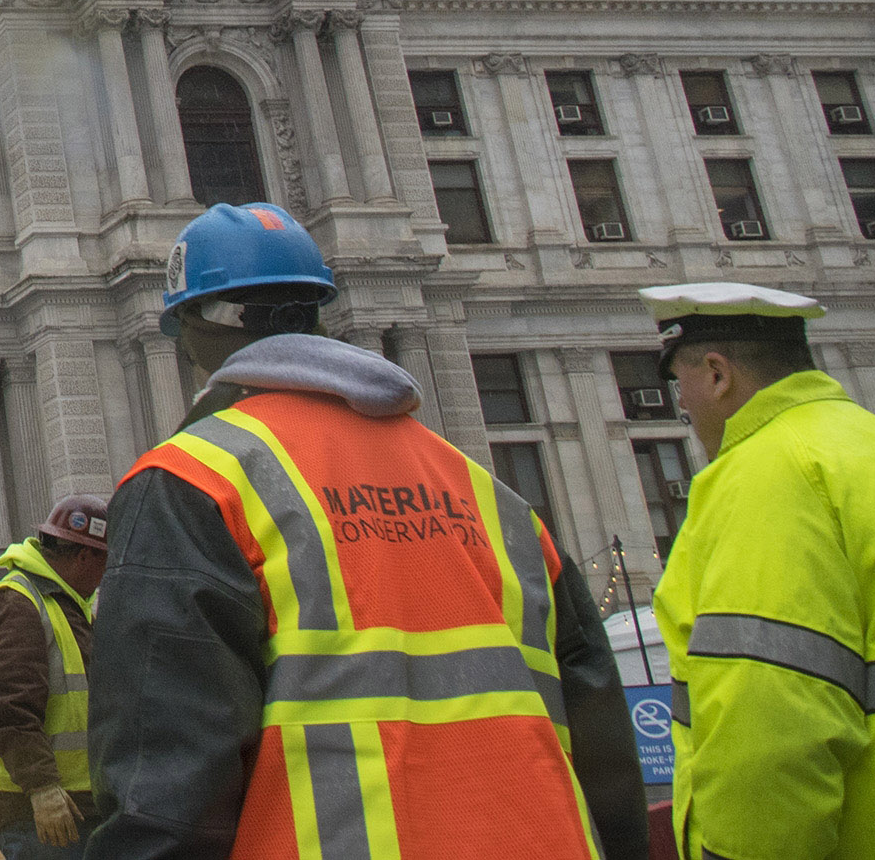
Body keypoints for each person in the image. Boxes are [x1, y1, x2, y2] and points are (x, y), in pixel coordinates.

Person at [88, 202, 645, 860]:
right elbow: (605, 751)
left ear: (195, 330)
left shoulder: (192, 483)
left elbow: (167, 779)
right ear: (318, 314)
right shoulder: (486, 494)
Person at [641, 281, 875, 859]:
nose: (681, 404)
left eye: (677, 381)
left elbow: (771, 727)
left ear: (717, 374)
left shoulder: (765, 477)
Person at [0, 493, 108, 856]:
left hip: (69, 805)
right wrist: (42, 788)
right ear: (84, 556)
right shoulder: (18, 602)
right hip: (39, 811)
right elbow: (8, 709)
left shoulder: (65, 603)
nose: (105, 573)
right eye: (104, 560)